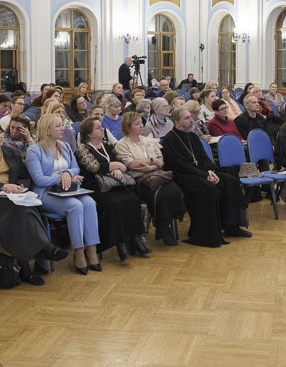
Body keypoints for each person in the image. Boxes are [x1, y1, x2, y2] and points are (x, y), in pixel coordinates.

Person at [0, 120, 58, 286]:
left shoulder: (12, 152)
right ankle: (42, 251)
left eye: (0, 132)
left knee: (24, 211)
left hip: (15, 199)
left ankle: (29, 264)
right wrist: (2, 186)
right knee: (21, 213)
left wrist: (22, 187)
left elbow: (24, 176)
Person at [161, 107, 250, 246]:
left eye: (190, 117)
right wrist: (204, 175)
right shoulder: (169, 140)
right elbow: (180, 165)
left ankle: (231, 227)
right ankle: (207, 234)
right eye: (187, 118)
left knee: (230, 181)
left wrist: (210, 171)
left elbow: (203, 157)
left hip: (202, 173)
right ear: (176, 122)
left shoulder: (192, 136)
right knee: (209, 188)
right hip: (184, 177)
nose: (191, 120)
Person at [26, 113, 101, 274]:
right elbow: (39, 179)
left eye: (63, 124)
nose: (63, 128)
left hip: (68, 190)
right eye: (58, 126)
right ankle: (79, 252)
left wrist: (67, 172)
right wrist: (62, 178)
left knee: (89, 203)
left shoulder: (65, 146)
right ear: (47, 130)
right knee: (75, 206)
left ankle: (92, 249)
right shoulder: (34, 150)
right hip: (45, 193)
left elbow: (76, 168)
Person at [75, 117, 148, 261]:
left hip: (113, 183)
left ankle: (135, 239)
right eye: (97, 128)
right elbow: (94, 167)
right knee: (112, 204)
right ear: (89, 133)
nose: (102, 129)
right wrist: (114, 166)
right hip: (95, 187)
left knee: (132, 199)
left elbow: (121, 163)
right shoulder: (83, 148)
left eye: (101, 127)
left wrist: (118, 168)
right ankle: (119, 244)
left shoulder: (107, 145)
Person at [115, 111, 187, 246]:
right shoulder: (122, 144)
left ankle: (163, 224)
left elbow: (161, 160)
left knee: (175, 191)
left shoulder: (148, 140)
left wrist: (150, 164)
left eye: (141, 123)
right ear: (128, 127)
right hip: (139, 181)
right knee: (159, 196)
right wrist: (152, 162)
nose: (141, 126)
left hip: (158, 175)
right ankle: (163, 227)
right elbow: (132, 164)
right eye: (137, 124)